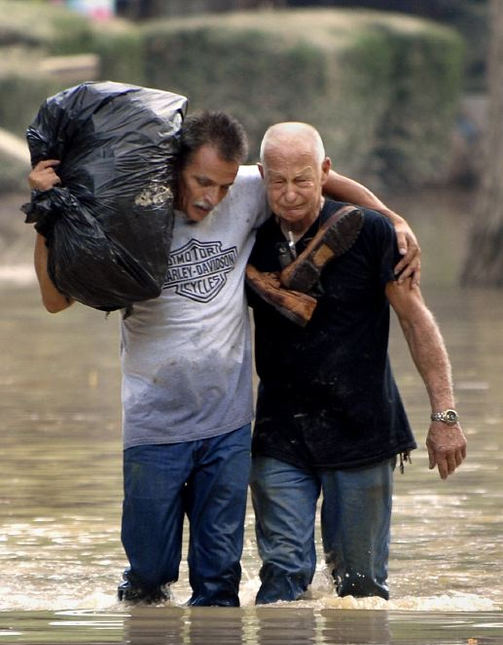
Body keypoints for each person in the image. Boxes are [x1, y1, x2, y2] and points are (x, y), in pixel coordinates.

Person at [28, 110, 420, 607]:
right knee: (149, 575)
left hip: (227, 430)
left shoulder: (250, 191)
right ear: (174, 169)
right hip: (152, 427)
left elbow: (318, 176)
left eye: (224, 184)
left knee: (218, 583)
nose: (211, 196)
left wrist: (393, 218)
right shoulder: (128, 220)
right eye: (201, 181)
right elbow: (54, 300)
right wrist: (46, 215)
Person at [247, 121, 467, 605]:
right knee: (282, 578)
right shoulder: (246, 230)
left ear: (325, 172)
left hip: (362, 429)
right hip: (280, 433)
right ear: (261, 175)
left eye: (302, 180)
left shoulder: (369, 232)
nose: (288, 194)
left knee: (361, 589)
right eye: (277, 181)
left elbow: (417, 322)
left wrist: (444, 416)